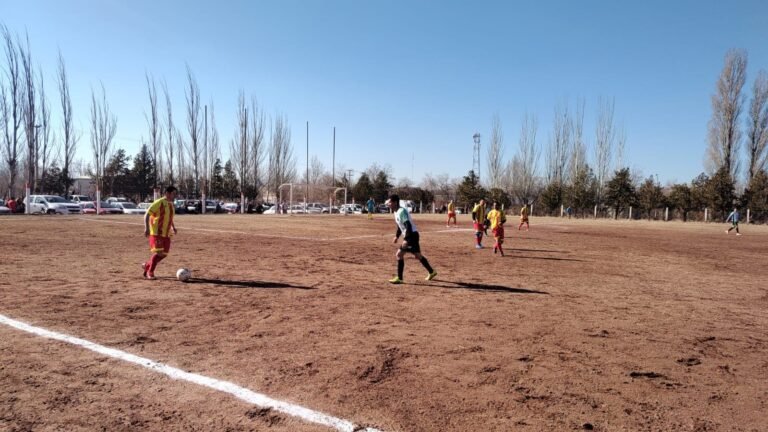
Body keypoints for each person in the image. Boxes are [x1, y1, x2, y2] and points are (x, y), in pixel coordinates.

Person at [386, 193, 437, 284]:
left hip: (411, 235)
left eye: (389, 202)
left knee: (399, 254)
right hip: (412, 235)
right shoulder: (395, 212)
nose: (388, 204)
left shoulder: (402, 211)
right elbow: (400, 226)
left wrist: (406, 239)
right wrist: (397, 236)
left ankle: (399, 278)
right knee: (418, 255)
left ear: (395, 202)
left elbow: (408, 225)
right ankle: (432, 272)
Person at [142, 186, 178, 280]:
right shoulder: (159, 202)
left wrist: (173, 227)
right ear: (167, 193)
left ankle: (147, 265)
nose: (175, 195)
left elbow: (170, 217)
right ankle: (150, 272)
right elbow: (147, 214)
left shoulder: (171, 204)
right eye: (173, 193)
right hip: (157, 232)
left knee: (164, 254)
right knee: (159, 253)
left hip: (166, 233)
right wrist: (147, 228)